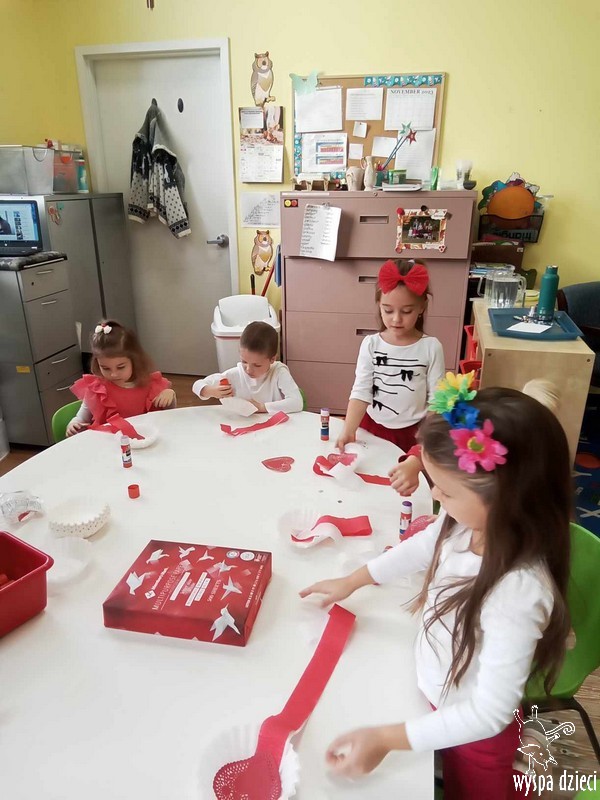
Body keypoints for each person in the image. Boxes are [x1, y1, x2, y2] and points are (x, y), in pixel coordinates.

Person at [301, 373, 571, 800]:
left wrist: (388, 739)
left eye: (444, 491)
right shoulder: (465, 520)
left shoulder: (517, 592)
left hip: (477, 737)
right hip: (433, 695)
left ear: (507, 499)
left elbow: (489, 713)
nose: (437, 498)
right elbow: (426, 544)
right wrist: (354, 580)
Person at [336, 259, 445, 454]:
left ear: (422, 307)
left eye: (407, 311)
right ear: (379, 305)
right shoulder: (371, 344)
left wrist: (426, 439)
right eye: (388, 310)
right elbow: (361, 391)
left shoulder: (431, 347)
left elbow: (437, 400)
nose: (396, 319)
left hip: (415, 433)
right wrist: (348, 430)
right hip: (372, 427)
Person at [66, 321, 175, 436]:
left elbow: (169, 413)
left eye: (121, 367)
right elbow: (81, 418)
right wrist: (73, 424)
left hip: (146, 437)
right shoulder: (97, 389)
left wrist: (170, 395)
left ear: (134, 361)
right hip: (110, 441)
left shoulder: (150, 384)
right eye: (105, 368)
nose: (113, 374)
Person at [193, 320, 303, 413]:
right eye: (244, 361)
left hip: (275, 426)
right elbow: (197, 385)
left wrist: (261, 407)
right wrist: (211, 391)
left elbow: (297, 402)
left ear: (272, 359)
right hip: (244, 427)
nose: (249, 369)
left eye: (257, 365)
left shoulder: (279, 372)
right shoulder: (235, 374)